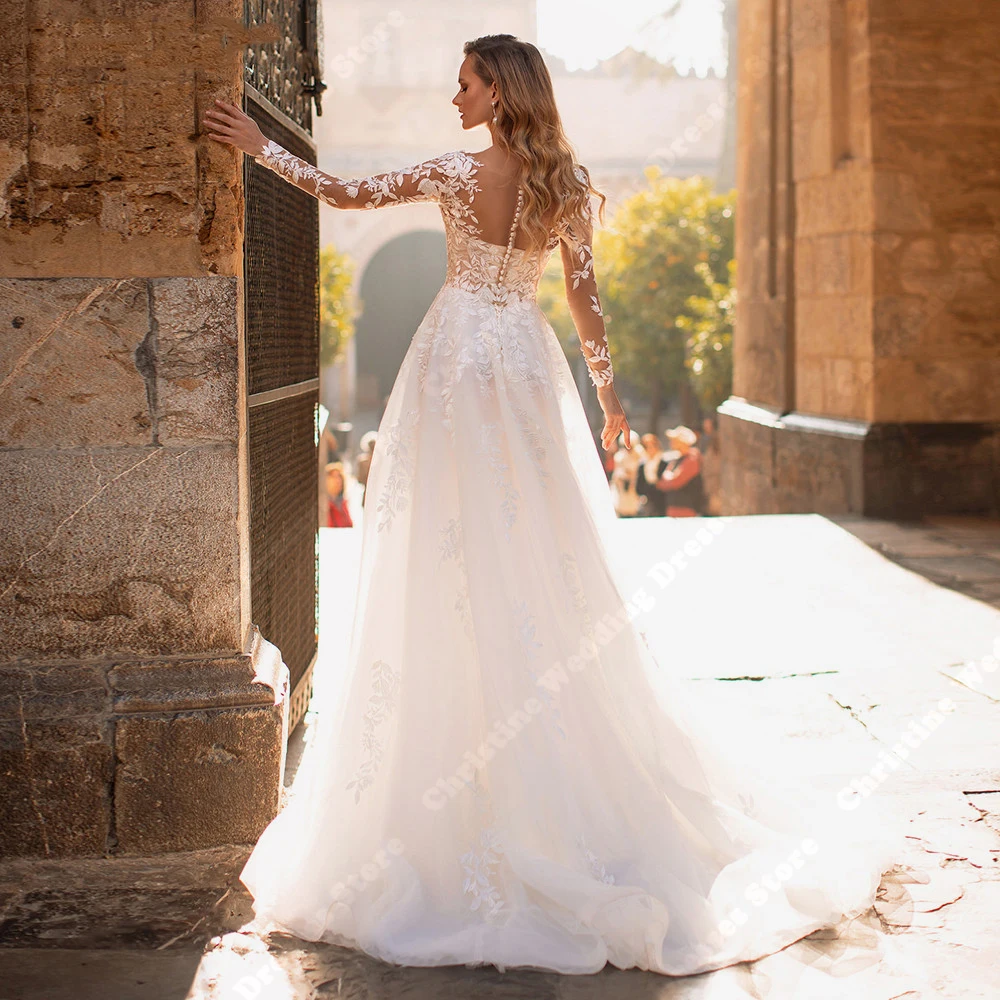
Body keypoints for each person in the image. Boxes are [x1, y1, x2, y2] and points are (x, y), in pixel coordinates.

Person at [203, 33, 902, 979]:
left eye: (465, 83)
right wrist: (608, 396)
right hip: (524, 367)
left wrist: (261, 146)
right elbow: (584, 295)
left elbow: (346, 193)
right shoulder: (564, 179)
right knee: (536, 544)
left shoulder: (457, 172)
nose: (455, 96)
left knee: (445, 551)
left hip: (454, 366)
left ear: (498, 90)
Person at [655, 425, 706, 517]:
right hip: (673, 507)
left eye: (674, 440)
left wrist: (669, 478)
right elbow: (662, 482)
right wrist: (669, 478)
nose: (671, 443)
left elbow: (676, 481)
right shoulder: (677, 459)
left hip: (686, 510)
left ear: (682, 442)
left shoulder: (692, 459)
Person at [634, 432, 674, 518]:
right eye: (647, 447)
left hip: (662, 500)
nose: (650, 449)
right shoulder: (642, 464)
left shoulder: (664, 462)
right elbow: (639, 486)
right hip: (648, 501)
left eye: (652, 446)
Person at [325, 462, 354, 528]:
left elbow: (349, 525)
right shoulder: (324, 505)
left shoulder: (343, 503)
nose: (338, 480)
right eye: (334, 477)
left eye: (339, 477)